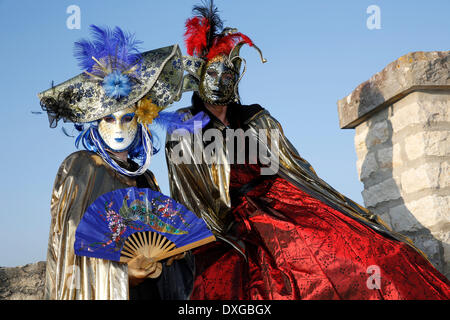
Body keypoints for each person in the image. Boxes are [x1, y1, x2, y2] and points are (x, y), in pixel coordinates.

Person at [165, 1, 450, 299]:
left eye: (228, 75)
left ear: (236, 75)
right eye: (213, 75)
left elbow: (294, 168)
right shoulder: (186, 126)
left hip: (283, 201)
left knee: (369, 253)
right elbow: (190, 195)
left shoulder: (256, 118)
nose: (221, 82)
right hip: (228, 221)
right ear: (199, 76)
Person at [39, 25, 196, 300]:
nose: (119, 127)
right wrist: (123, 274)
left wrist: (175, 254)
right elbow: (74, 250)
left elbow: (161, 238)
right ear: (95, 124)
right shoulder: (80, 169)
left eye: (127, 117)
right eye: (109, 118)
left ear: (142, 118)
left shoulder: (145, 178)